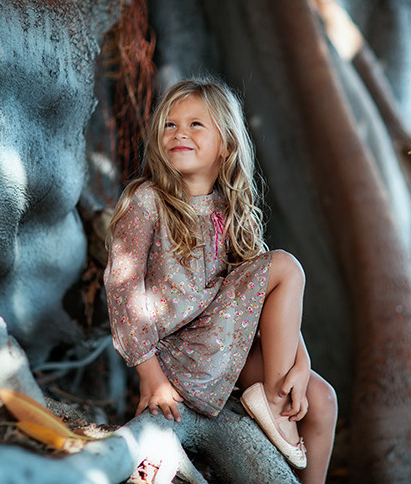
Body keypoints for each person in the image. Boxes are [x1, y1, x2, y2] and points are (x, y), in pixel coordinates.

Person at [104, 77, 337, 483]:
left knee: (321, 398)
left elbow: (269, 300)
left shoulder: (227, 212)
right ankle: (274, 400)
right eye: (170, 125)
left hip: (220, 345)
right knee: (285, 266)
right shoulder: (147, 201)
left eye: (196, 124)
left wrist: (302, 362)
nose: (179, 133)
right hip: (177, 357)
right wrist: (152, 379)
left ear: (226, 145)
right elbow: (122, 289)